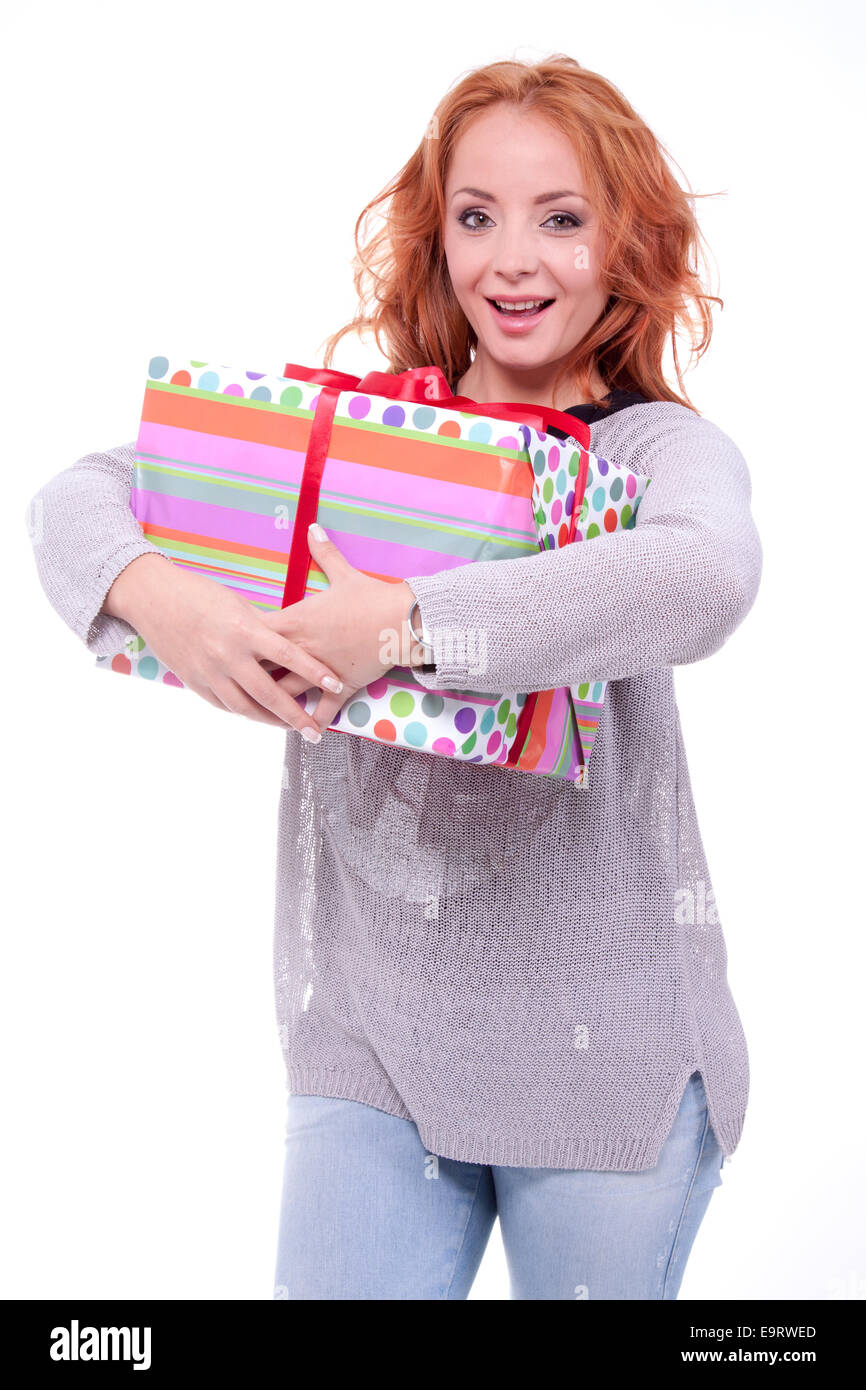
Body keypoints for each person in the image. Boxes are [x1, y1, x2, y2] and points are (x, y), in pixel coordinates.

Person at [24, 54, 763, 1300]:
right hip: (369, 1044)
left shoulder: (650, 450)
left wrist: (404, 624)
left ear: (627, 244)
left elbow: (703, 579)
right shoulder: (368, 437)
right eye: (475, 217)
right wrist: (170, 605)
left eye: (561, 218)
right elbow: (81, 497)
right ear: (435, 238)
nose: (510, 261)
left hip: (602, 1062)